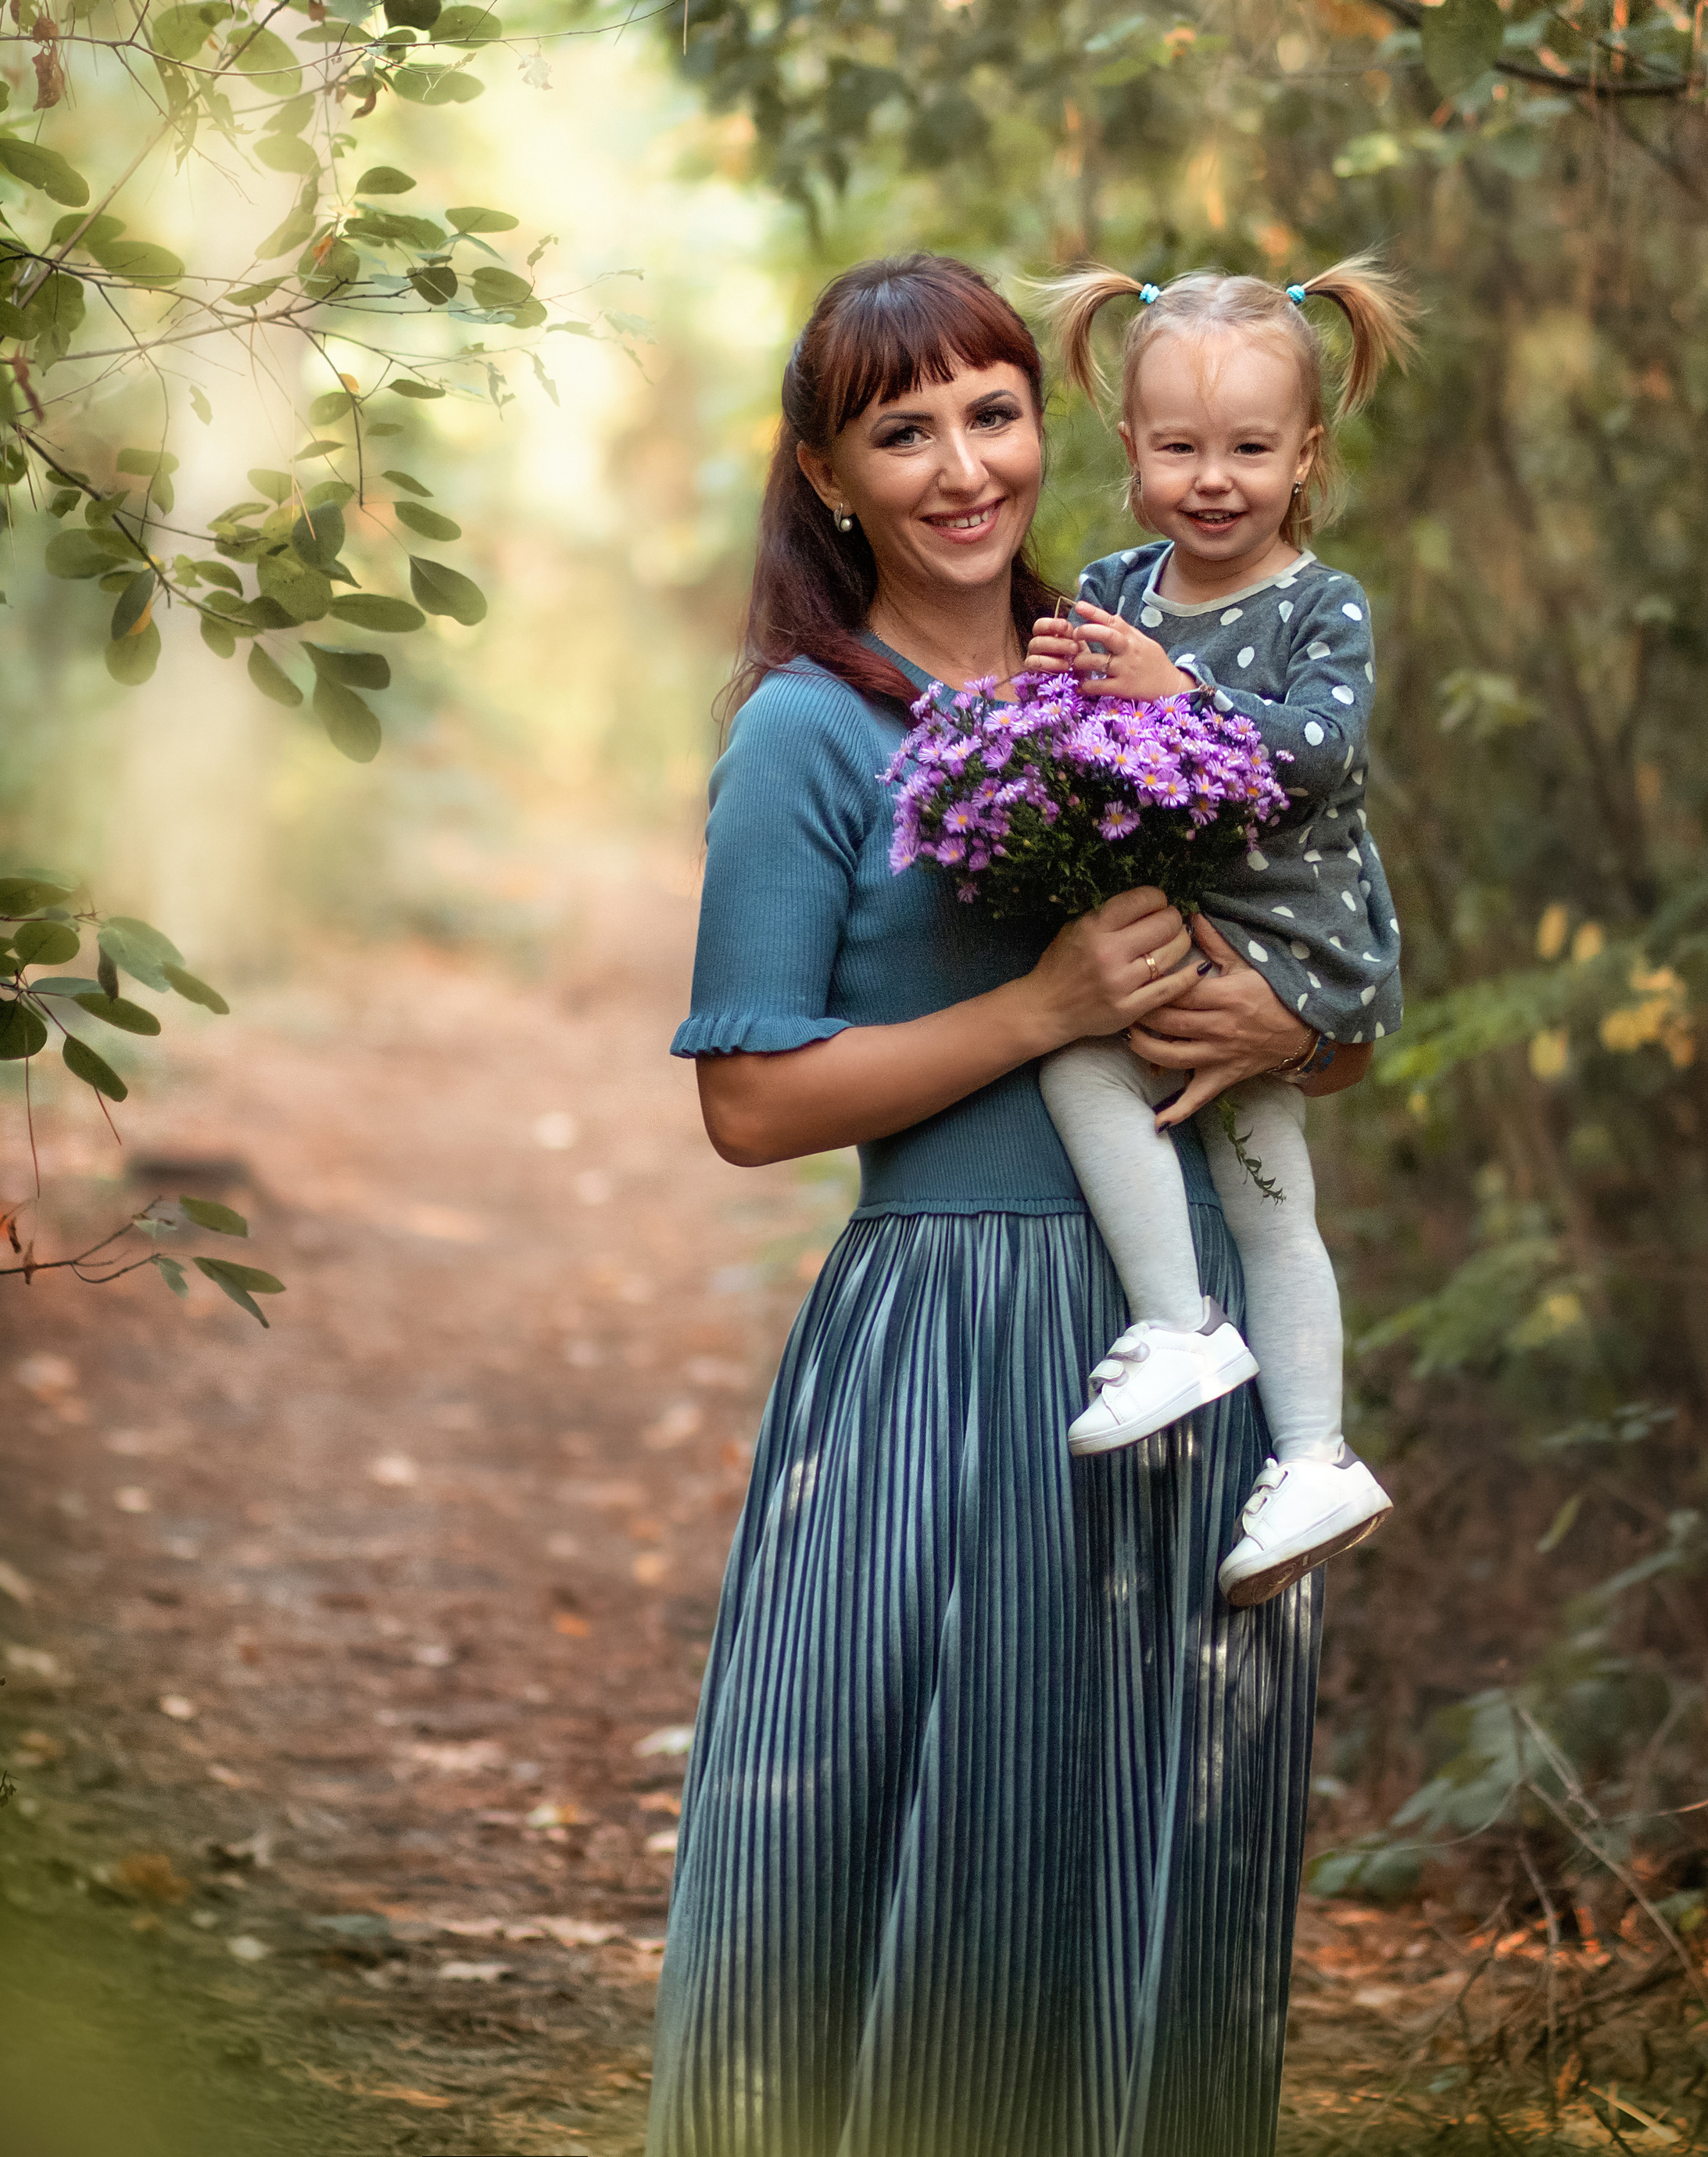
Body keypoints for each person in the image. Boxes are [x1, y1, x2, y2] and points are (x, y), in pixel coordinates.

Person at [648, 253, 1371, 2157]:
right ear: (829, 473)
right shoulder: (805, 732)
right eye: (903, 431)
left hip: (1185, 1340)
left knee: (1157, 1842)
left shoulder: (1139, 660)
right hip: (951, 1352)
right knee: (928, 1837)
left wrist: (1278, 1025)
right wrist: (1039, 1011)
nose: (961, 467)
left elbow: (1331, 982)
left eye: (991, 413)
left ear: (1051, 431)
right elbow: (744, 1101)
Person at [1022, 263, 1417, 1607]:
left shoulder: (1323, 603)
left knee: (1271, 1202)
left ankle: (1275, 1419)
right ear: (1130, 450)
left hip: (1288, 943)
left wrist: (1171, 691)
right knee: (1177, 1129)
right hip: (1180, 942)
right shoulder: (1114, 587)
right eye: (1181, 447)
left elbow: (1316, 750)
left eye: (1250, 447)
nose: (1214, 478)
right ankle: (1221, 1372)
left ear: (1306, 455)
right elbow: (1078, 741)